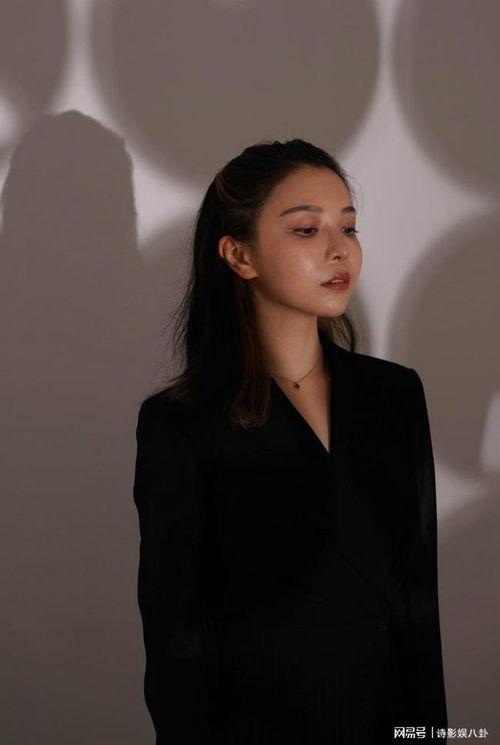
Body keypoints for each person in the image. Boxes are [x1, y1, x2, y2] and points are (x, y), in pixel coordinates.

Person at [132, 139, 448, 744]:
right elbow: (177, 644)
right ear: (239, 254)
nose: (340, 249)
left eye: (348, 227)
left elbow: (417, 606)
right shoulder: (182, 424)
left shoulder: (395, 395)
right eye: (307, 229)